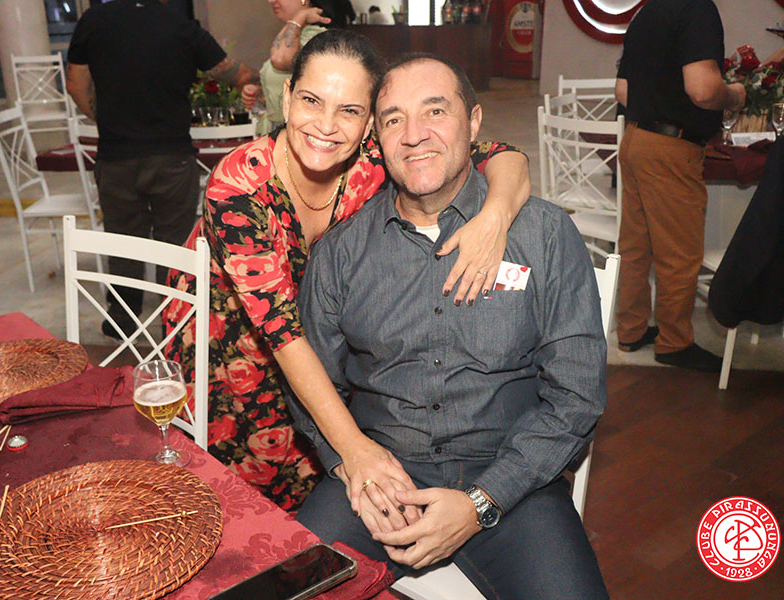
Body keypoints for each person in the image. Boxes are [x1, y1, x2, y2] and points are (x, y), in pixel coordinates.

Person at [163, 30, 530, 511]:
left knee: (313, 508)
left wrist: (495, 216)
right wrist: (355, 448)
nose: (326, 126)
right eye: (311, 101)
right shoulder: (238, 186)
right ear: (287, 97)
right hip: (230, 348)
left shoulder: (374, 159)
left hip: (316, 343)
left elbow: (501, 155)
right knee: (232, 508)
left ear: (370, 123)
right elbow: (280, 333)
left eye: (350, 111)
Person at [292, 54, 609, 599]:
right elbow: (312, 388)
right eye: (393, 119)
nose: (414, 134)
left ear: (475, 122)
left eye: (435, 111)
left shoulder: (544, 236)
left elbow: (577, 395)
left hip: (514, 482)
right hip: (381, 480)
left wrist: (482, 501)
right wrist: (351, 466)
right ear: (377, 138)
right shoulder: (341, 252)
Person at [65, 0, 257, 337]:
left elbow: (75, 85)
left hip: (116, 156)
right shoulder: (180, 26)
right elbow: (235, 73)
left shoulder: (93, 21)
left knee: (122, 242)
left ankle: (123, 322)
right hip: (172, 157)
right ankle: (176, 324)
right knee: (174, 246)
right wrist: (250, 83)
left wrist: (104, 118)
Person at [614, 0, 745, 371]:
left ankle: (631, 330)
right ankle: (674, 342)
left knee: (636, 246)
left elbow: (622, 91)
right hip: (672, 146)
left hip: (636, 138)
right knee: (679, 253)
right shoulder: (697, 9)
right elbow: (703, 90)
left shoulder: (647, 12)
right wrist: (735, 95)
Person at [242, 0, 356, 135]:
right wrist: (262, 94)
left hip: (295, 135)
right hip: (277, 132)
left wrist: (299, 18)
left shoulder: (315, 36)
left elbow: (280, 59)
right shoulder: (298, 34)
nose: (271, 1)